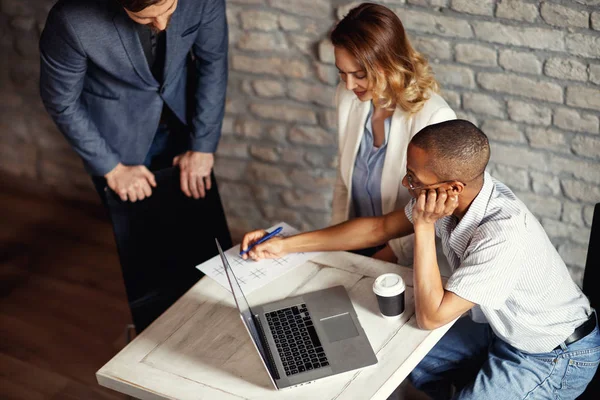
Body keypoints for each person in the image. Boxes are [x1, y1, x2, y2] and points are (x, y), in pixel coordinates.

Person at [241, 120, 600, 399]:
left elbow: (431, 317)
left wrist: (425, 227)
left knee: (416, 336)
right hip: (502, 332)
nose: (406, 182)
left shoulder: (503, 235)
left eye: (413, 179)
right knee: (395, 356)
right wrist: (288, 244)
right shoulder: (447, 196)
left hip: (553, 354)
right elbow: (378, 229)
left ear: (453, 187)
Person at [39, 0, 232, 331]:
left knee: (201, 239)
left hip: (184, 124)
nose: (162, 24)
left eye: (169, 10)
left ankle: (220, 329)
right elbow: (61, 99)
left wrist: (202, 146)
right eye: (146, 17)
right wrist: (111, 167)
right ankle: (158, 337)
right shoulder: (71, 20)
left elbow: (213, 63)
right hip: (117, 143)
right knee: (145, 255)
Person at [330, 2, 456, 268]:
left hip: (403, 258)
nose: (349, 84)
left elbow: (434, 213)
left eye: (359, 74)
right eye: (342, 73)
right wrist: (338, 247)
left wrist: (379, 260)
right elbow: (343, 182)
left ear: (387, 63)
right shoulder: (347, 98)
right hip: (355, 244)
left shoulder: (434, 117)